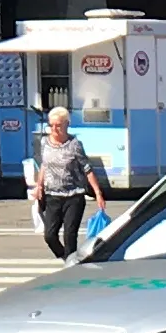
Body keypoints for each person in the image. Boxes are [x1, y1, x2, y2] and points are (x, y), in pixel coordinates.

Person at [21, 106, 105, 259]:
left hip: (74, 196)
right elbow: (44, 166)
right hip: (52, 196)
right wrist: (39, 186)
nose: (54, 129)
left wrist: (98, 193)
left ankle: (70, 265)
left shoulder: (75, 144)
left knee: (69, 236)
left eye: (58, 125)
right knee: (50, 235)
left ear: (66, 124)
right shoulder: (45, 142)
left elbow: (87, 169)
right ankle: (66, 258)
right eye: (51, 125)